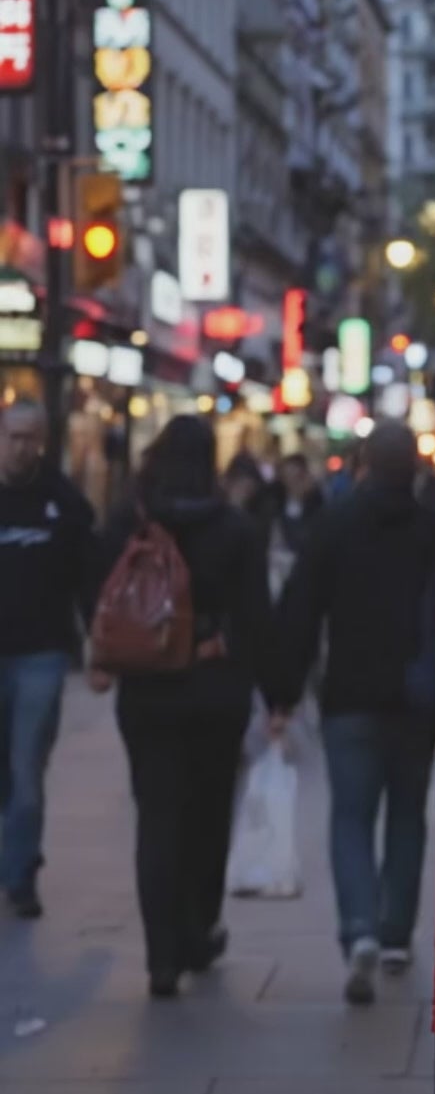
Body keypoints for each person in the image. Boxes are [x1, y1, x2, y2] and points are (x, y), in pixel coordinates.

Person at [100, 416, 273, 998]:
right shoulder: (234, 527)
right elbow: (257, 617)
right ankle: (198, 928)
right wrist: (276, 693)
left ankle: (161, 958)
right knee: (208, 813)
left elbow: (98, 588)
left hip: (147, 689)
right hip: (213, 685)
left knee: (157, 816)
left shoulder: (130, 521)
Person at [273, 420, 435, 1005]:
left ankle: (360, 928)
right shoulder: (433, 529)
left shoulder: (336, 526)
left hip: (349, 697)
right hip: (418, 701)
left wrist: (282, 693)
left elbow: (300, 609)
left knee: (350, 817)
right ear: (415, 468)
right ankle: (397, 935)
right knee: (406, 816)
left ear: (365, 464)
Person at [0, 399, 98, 917]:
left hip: (41, 654)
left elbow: (88, 576)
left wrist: (97, 639)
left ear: (42, 440)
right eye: (13, 436)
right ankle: (14, 850)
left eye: (30, 438)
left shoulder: (63, 502)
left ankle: (19, 876)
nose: (21, 447)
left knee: (27, 766)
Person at [277, 452, 324, 558]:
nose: (292, 482)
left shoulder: (316, 505)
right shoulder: (275, 504)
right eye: (287, 477)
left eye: (297, 478)